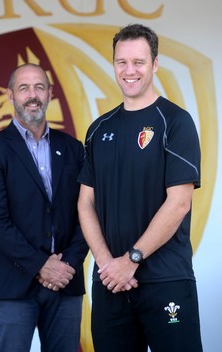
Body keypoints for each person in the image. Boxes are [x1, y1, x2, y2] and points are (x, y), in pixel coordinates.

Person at [77, 24, 203, 352]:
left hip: (165, 280)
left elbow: (178, 203)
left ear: (155, 64)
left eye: (138, 62)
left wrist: (130, 260)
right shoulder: (98, 129)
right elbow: (85, 203)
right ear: (114, 64)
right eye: (122, 62)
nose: (129, 71)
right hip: (111, 285)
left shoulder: (175, 122)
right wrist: (108, 264)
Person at [0, 63, 88, 352]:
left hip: (65, 282)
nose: (32, 95)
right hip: (12, 286)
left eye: (39, 87)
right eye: (24, 88)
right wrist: (41, 266)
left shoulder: (74, 149)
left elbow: (88, 214)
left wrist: (67, 266)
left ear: (50, 93)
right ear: (11, 95)